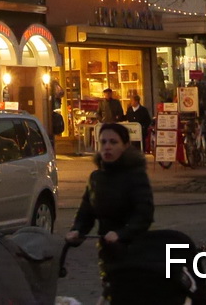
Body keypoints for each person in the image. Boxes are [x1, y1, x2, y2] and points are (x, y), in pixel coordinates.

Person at [66, 123, 158, 302]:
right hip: (107, 251)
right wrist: (78, 230)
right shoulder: (96, 178)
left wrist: (122, 234)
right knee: (111, 291)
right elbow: (87, 210)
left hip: (133, 250)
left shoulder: (135, 176)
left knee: (128, 295)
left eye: (114, 142)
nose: (107, 147)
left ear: (125, 146)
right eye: (103, 142)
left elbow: (144, 214)